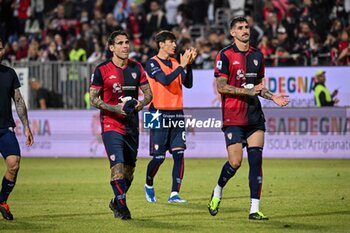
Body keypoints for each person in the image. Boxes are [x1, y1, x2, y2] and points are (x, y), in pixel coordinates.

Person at [207, 17, 289, 220]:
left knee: (256, 161)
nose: (245, 30)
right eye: (240, 28)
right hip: (233, 116)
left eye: (247, 27)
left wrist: (272, 96)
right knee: (235, 162)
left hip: (254, 117)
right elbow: (221, 86)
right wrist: (247, 91)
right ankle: (218, 190)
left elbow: (259, 88)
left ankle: (254, 209)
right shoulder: (225, 55)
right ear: (232, 33)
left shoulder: (258, 56)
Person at [89, 30, 152, 220]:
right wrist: (114, 109)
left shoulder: (137, 68)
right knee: (117, 167)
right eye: (120, 43)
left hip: (131, 125)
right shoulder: (101, 70)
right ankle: (123, 207)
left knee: (129, 171)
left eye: (127, 42)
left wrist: (141, 103)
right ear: (111, 47)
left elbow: (149, 94)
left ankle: (116, 201)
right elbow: (93, 99)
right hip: (110, 123)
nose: (125, 46)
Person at [144, 30, 197, 203]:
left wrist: (188, 65)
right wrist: (182, 66)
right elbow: (165, 80)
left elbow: (188, 84)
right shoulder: (151, 63)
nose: (175, 45)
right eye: (171, 41)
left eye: (175, 42)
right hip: (156, 112)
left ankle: (174, 193)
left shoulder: (175, 62)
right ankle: (149, 184)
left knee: (179, 154)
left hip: (177, 112)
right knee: (159, 157)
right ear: (161, 44)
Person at [0, 38, 34, 220]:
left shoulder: (9, 73)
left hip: (5, 128)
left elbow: (18, 100)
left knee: (14, 164)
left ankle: (2, 201)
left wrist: (26, 126)